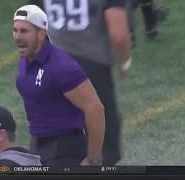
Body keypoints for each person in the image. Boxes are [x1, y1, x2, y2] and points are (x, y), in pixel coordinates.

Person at [30, 0, 132, 166]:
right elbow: (119, 35)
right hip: (91, 70)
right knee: (99, 151)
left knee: (48, 147)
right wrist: (125, 62)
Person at [12, 5, 105, 166]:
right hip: (38, 144)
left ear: (41, 33)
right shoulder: (26, 61)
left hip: (64, 149)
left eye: (24, 31)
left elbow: (95, 107)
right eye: (15, 30)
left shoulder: (61, 67)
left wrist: (93, 158)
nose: (17, 36)